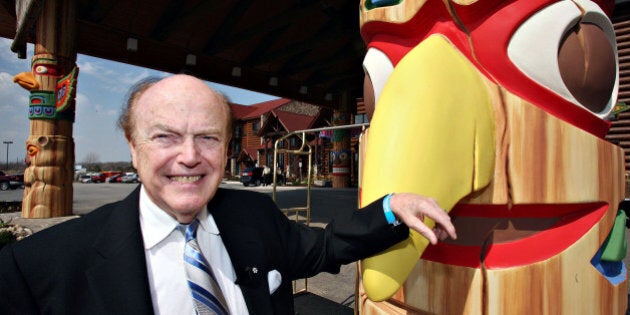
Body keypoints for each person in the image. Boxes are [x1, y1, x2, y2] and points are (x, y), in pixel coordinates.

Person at [0, 74, 456, 314]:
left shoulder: (253, 215)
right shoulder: (38, 267)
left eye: (208, 138)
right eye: (165, 137)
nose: (189, 156)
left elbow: (325, 247)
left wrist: (392, 208)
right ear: (132, 149)